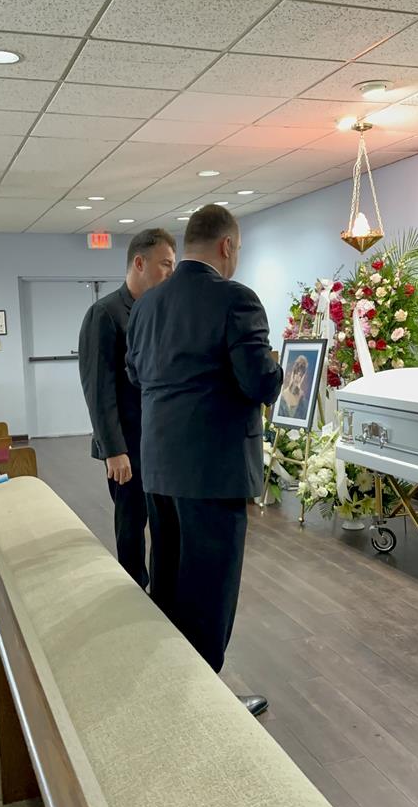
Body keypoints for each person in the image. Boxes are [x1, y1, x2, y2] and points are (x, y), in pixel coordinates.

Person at [126, 205, 282, 716]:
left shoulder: (146, 305)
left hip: (160, 465)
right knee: (211, 588)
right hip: (213, 470)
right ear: (227, 246)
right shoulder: (236, 300)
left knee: (168, 575)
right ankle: (206, 705)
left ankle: (170, 684)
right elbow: (258, 383)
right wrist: (283, 368)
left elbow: (135, 373)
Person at [78, 228, 176, 588]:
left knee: (164, 524)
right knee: (132, 525)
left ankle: (162, 593)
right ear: (139, 262)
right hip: (126, 447)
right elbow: (98, 390)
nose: (170, 272)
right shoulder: (104, 314)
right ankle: (133, 590)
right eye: (165, 264)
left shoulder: (157, 312)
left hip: (159, 444)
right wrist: (114, 450)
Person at [278, 355, 309, 420]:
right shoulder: (282, 395)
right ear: (293, 373)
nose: (297, 377)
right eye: (296, 373)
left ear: (303, 377)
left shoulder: (303, 400)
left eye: (300, 375)